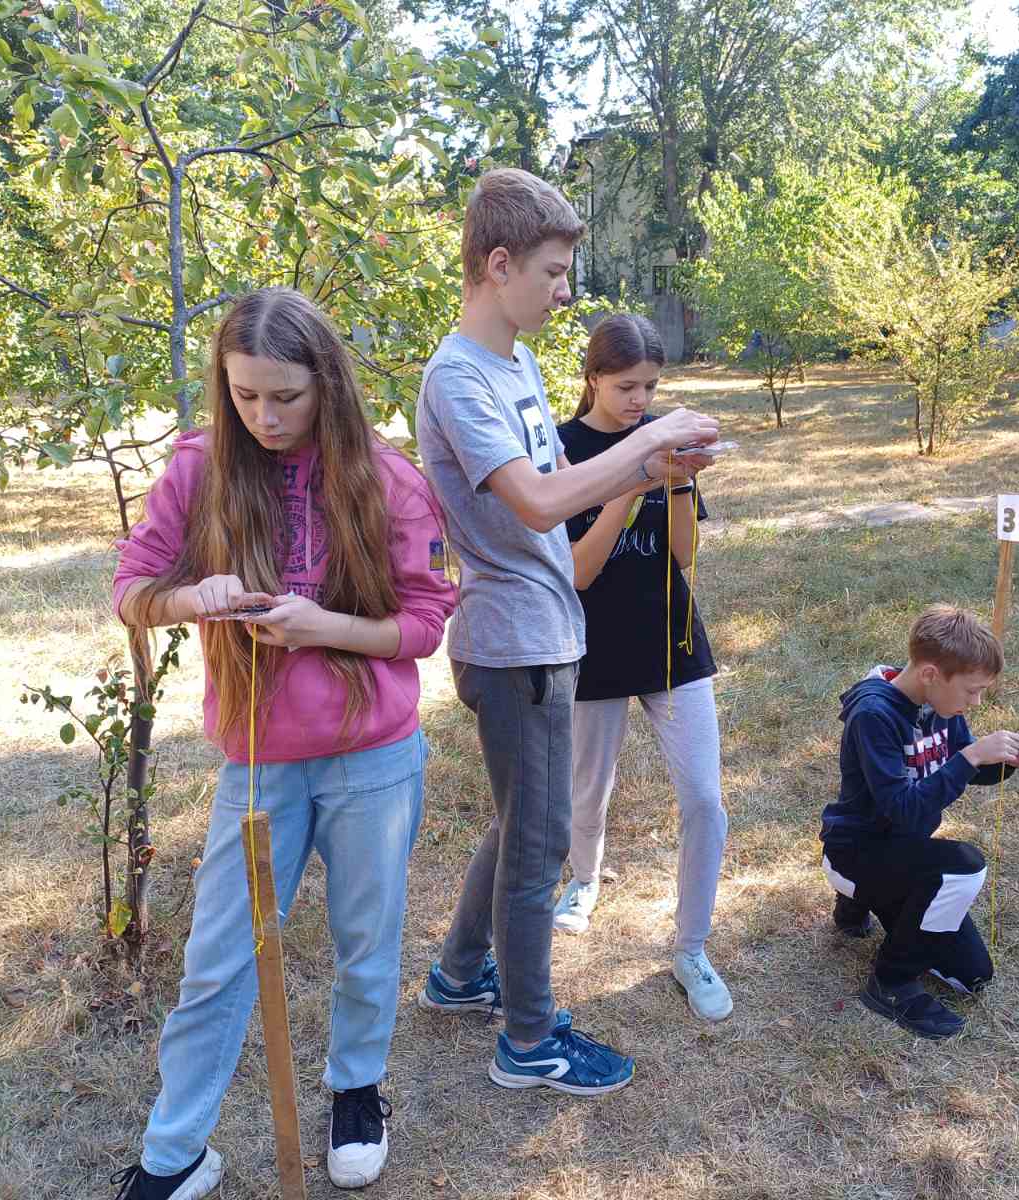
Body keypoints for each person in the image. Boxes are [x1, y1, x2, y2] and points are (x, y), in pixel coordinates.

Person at [109, 288, 456, 1198]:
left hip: (372, 757)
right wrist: (192, 597)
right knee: (217, 959)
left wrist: (322, 627)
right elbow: (132, 590)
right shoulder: (199, 469)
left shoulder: (388, 480)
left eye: (286, 397)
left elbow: (425, 625)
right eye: (246, 395)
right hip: (259, 761)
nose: (265, 417)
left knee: (365, 939)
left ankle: (357, 1092)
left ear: (327, 385)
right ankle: (175, 1153)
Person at [414, 168, 718, 1095]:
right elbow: (540, 501)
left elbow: (565, 492)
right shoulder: (458, 377)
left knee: (522, 822)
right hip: (513, 642)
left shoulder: (511, 366)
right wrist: (642, 442)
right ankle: (529, 1039)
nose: (562, 292)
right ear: (498, 264)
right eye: (551, 272)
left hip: (547, 629)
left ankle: (459, 974)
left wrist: (649, 470)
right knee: (540, 844)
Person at [549, 313, 732, 1023]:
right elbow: (579, 572)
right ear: (593, 377)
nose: (640, 401)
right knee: (587, 789)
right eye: (626, 386)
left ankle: (691, 947)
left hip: (672, 643)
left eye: (651, 387)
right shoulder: (562, 450)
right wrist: (632, 481)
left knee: (706, 800)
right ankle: (584, 880)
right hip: (591, 643)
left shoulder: (664, 439)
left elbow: (683, 555)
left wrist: (680, 482)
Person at [819, 605, 1019, 1039]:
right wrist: (972, 755)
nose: (975, 702)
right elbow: (905, 809)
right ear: (930, 674)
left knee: (974, 977)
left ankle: (857, 907)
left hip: (900, 852)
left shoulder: (939, 707)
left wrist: (1005, 759)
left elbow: (966, 769)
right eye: (971, 691)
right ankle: (890, 982)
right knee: (963, 867)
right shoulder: (874, 715)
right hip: (856, 853)